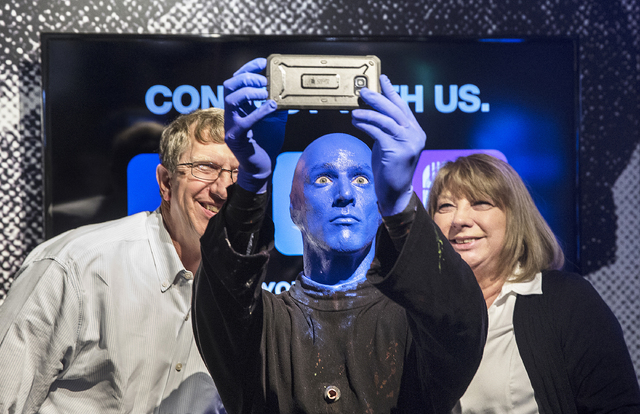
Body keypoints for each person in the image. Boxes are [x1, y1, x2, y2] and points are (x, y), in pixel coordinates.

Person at [192, 58, 488, 414]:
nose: (345, 193)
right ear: (294, 208)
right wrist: (251, 182)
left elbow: (460, 321)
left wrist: (399, 202)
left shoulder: (415, 323)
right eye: (323, 179)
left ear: (378, 205)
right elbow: (221, 293)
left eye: (362, 179)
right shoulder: (263, 326)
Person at [0, 107, 232, 413]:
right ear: (166, 182)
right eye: (205, 167)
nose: (223, 189)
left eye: (240, 174)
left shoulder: (245, 295)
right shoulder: (74, 266)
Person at [426, 153, 640, 413]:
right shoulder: (418, 309)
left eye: (480, 202)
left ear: (515, 218)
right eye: (445, 206)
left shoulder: (568, 300)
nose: (459, 219)